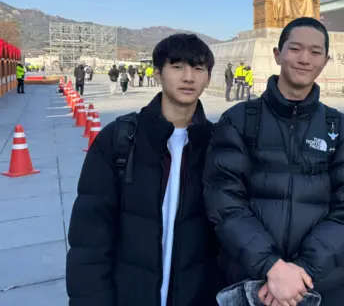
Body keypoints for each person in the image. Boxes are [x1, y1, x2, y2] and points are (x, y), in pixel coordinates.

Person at [203, 17, 344, 306]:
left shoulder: (340, 128)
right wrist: (271, 267)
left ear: (326, 60)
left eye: (315, 52)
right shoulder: (238, 121)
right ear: (277, 54)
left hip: (319, 287)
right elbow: (224, 200)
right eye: (295, 49)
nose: (304, 59)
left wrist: (302, 273)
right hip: (250, 285)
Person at [66, 33, 226, 306]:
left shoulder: (217, 144)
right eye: (177, 67)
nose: (188, 77)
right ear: (157, 74)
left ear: (208, 77)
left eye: (198, 68)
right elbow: (89, 240)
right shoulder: (119, 139)